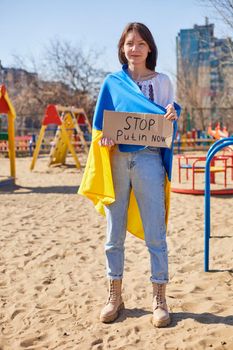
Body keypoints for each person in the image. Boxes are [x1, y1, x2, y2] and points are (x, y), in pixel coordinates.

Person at [78, 22, 181, 327]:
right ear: (122, 49)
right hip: (118, 161)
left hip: (149, 161)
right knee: (113, 234)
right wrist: (105, 138)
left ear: (149, 48)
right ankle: (114, 296)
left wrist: (172, 118)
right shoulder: (112, 82)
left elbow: (165, 126)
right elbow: (100, 127)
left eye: (140, 43)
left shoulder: (163, 82)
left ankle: (159, 299)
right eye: (128, 44)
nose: (134, 49)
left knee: (156, 234)